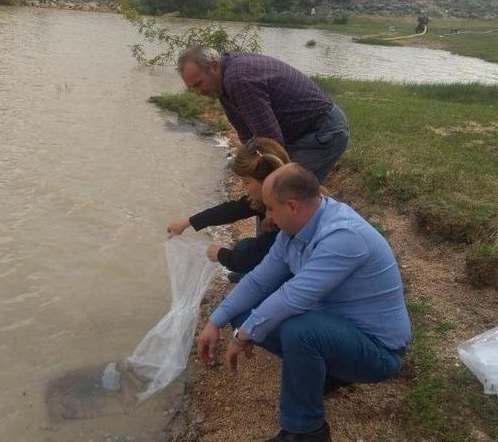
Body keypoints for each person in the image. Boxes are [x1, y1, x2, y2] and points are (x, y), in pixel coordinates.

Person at [196, 163, 411, 442]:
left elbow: (293, 297)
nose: (268, 218)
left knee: (300, 329)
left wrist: (241, 337)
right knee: (242, 313)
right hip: (338, 329)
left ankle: (306, 431)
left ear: (292, 206)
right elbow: (260, 279)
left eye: (271, 209)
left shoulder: (343, 236)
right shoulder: (295, 231)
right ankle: (325, 372)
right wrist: (216, 321)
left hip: (379, 351)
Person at [177, 45, 350, 183]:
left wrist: (259, 178)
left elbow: (270, 142)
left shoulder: (238, 79)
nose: (198, 92)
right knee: (269, 194)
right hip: (302, 133)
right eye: (193, 88)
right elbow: (246, 134)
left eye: (199, 84)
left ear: (214, 66)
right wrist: (248, 167)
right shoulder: (222, 84)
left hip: (322, 134)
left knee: (283, 192)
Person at [167, 137, 289, 282]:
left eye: (246, 182)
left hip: (292, 271)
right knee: (243, 247)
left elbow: (252, 256)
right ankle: (252, 274)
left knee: (244, 253)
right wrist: (188, 222)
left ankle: (262, 280)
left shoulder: (283, 219)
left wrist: (220, 254)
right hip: (279, 256)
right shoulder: (270, 198)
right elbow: (231, 210)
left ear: (267, 181)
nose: (243, 187)